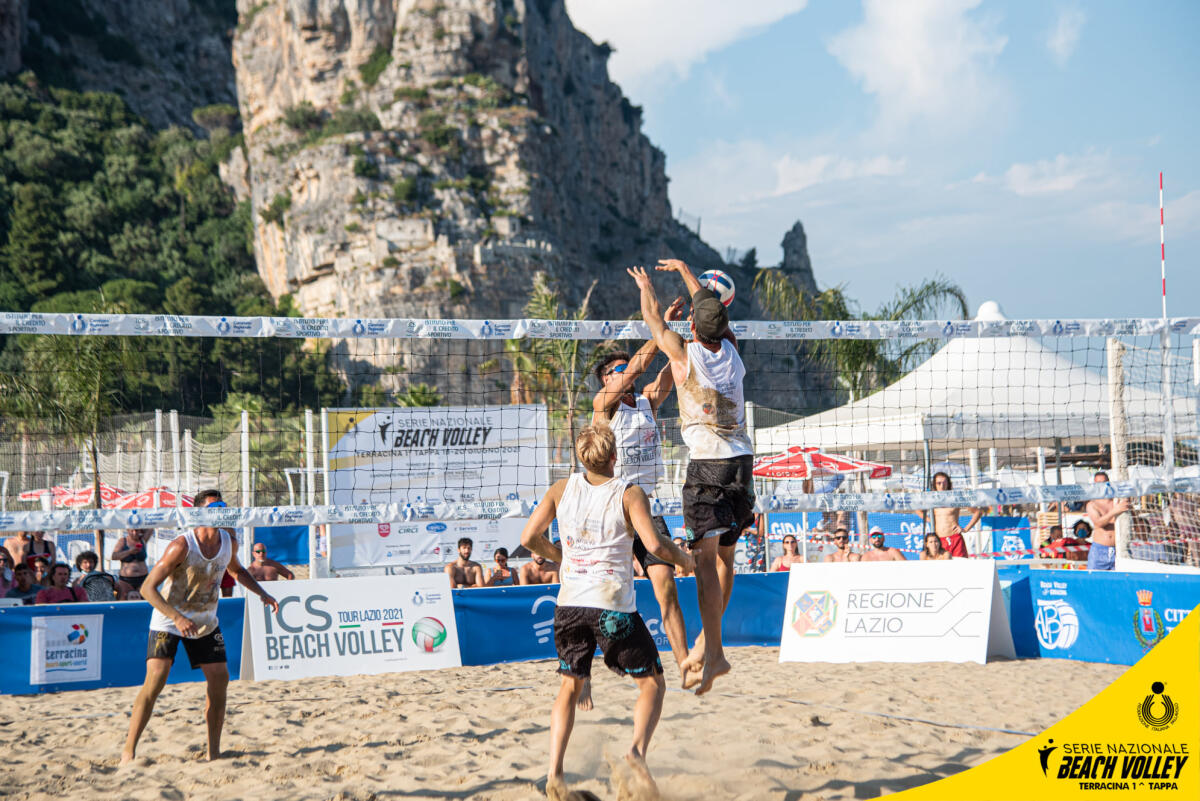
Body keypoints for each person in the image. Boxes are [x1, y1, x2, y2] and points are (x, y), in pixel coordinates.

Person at [519, 424, 693, 795]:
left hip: (568, 605)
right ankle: (635, 752)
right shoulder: (629, 493)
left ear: (581, 458)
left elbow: (528, 538)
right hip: (609, 605)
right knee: (652, 684)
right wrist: (684, 559)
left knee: (569, 686)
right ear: (615, 457)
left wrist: (562, 557)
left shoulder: (561, 489)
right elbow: (655, 546)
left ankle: (554, 774)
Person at [630, 259, 753, 696]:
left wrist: (648, 285)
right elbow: (711, 308)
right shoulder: (734, 350)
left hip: (708, 467)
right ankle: (708, 644)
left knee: (703, 563)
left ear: (694, 329)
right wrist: (686, 271)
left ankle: (714, 651)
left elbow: (651, 318)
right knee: (725, 560)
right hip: (743, 463)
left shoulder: (684, 355)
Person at [121, 488, 278, 764]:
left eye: (223, 505)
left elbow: (237, 571)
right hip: (169, 621)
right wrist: (178, 617)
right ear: (199, 513)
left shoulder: (229, 541)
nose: (221, 510)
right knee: (155, 681)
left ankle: (213, 753)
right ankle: (128, 752)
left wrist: (262, 593)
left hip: (205, 621)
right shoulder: (182, 545)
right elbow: (147, 588)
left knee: (220, 680)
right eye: (215, 506)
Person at [590, 297, 690, 689]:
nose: (623, 374)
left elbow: (670, 368)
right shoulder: (604, 406)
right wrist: (659, 324)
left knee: (666, 587)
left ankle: (685, 663)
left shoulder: (647, 402)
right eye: (616, 371)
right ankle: (582, 669)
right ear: (607, 381)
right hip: (611, 508)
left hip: (647, 506)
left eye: (623, 369)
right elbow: (638, 367)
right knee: (600, 594)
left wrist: (678, 334)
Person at [917, 472, 982, 558]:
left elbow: (978, 512)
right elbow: (918, 510)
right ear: (935, 485)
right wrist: (931, 520)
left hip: (955, 538)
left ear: (948, 483)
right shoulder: (931, 498)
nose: (942, 485)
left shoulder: (955, 498)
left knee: (960, 568)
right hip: (939, 540)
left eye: (944, 482)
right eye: (939, 483)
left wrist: (965, 529)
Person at [1083, 471, 1127, 571]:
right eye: (1098, 483)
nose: (1101, 486)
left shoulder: (1117, 502)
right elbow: (1098, 523)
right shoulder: (1092, 504)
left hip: (1118, 549)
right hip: (1099, 550)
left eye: (1104, 482)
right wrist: (1115, 511)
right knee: (1093, 582)